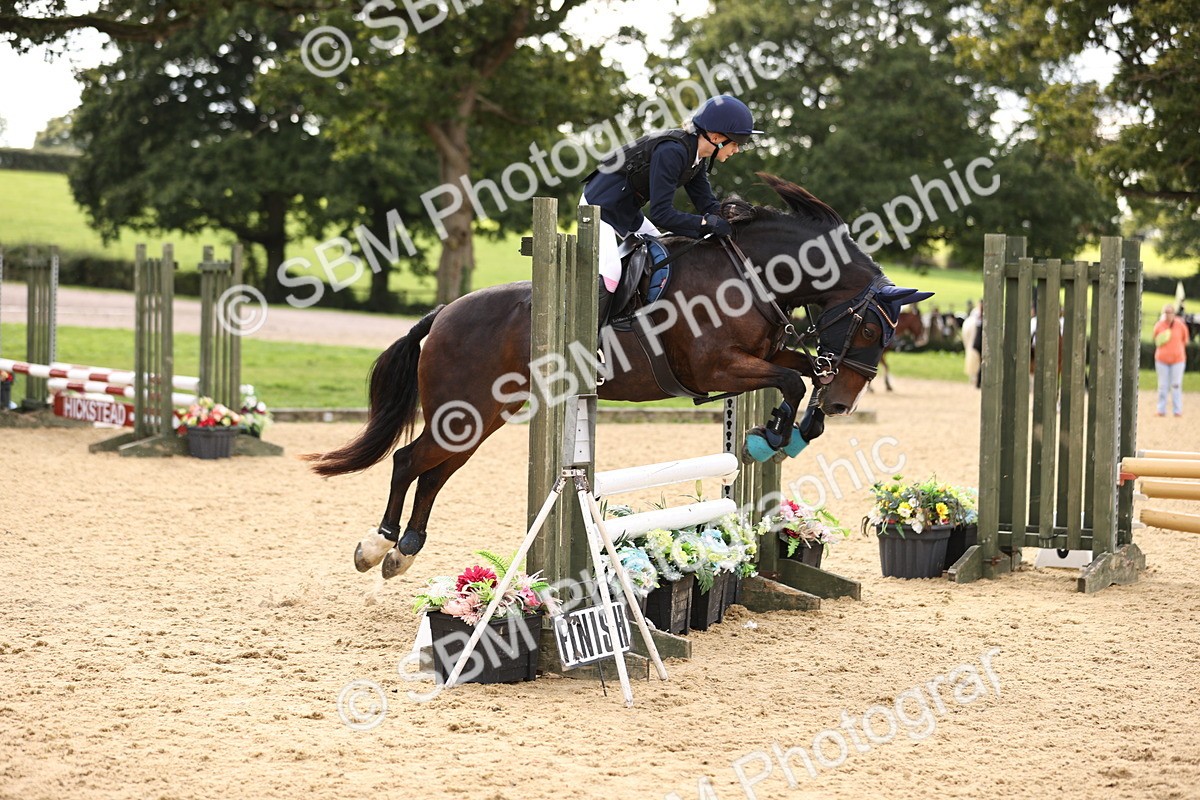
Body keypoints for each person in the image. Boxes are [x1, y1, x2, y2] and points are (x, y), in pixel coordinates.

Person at [580, 95, 762, 326]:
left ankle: (635, 326)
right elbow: (661, 214)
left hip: (627, 211)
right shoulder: (673, 152)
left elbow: (707, 204)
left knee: (663, 255)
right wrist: (706, 225)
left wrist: (734, 220)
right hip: (599, 208)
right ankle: (589, 337)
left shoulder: (696, 157)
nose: (736, 150)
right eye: (736, 143)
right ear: (715, 137)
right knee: (611, 272)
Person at [1154, 303, 1189, 417]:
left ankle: (1177, 410)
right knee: (1163, 385)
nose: (1168, 315)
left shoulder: (1180, 325)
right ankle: (1161, 409)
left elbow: (1185, 340)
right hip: (1162, 360)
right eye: (1166, 312)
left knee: (1176, 385)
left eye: (1170, 312)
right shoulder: (1159, 325)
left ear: (1174, 313)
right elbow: (1155, 339)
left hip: (1178, 360)